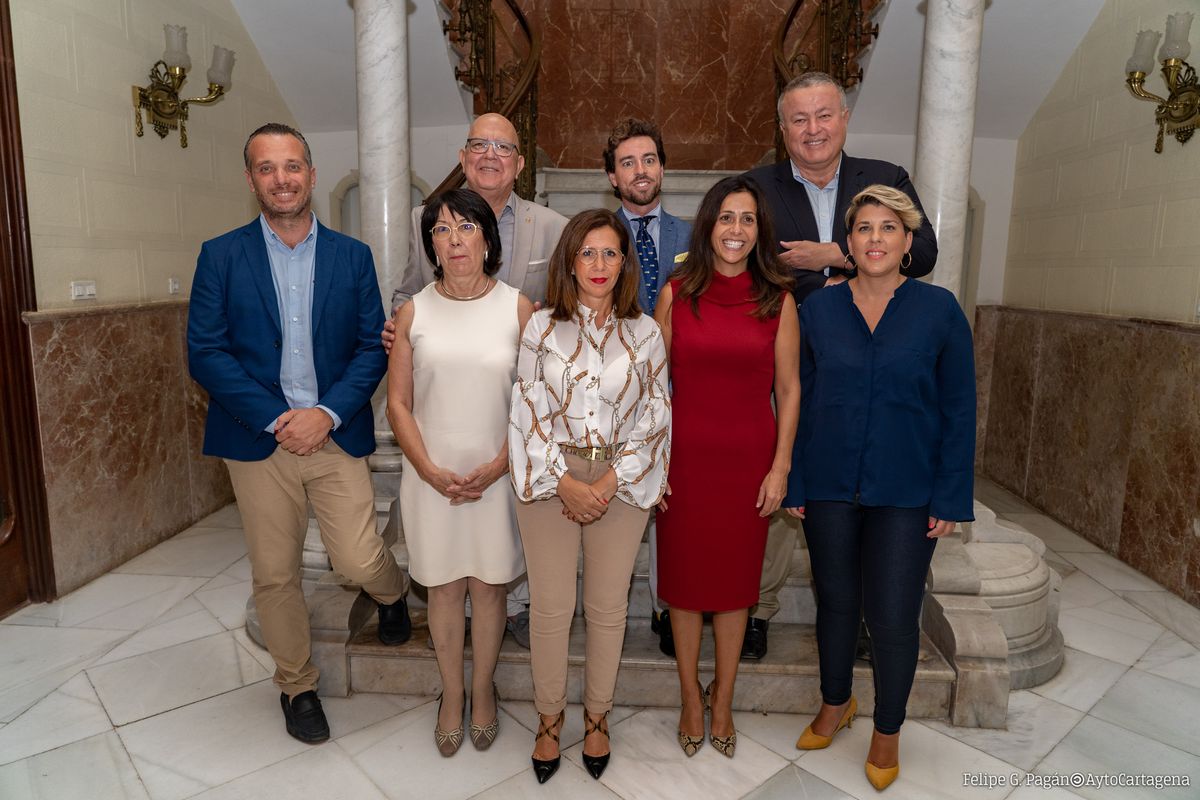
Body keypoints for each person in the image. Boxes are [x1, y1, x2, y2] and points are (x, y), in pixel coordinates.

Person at [188, 123, 410, 745]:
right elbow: (206, 352)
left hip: (334, 433)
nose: (281, 179)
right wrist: (276, 416)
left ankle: (392, 592)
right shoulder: (220, 256)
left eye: (292, 166)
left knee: (357, 556)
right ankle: (297, 685)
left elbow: (371, 346)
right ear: (251, 179)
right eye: (267, 168)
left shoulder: (352, 256)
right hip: (257, 440)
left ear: (311, 174)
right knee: (275, 573)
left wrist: (326, 413)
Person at [741, 70, 938, 661]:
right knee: (783, 484)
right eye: (799, 119)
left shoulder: (887, 178)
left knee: (868, 487)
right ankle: (760, 607)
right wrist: (832, 283)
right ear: (782, 129)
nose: (813, 129)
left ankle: (870, 618)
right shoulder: (757, 187)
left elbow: (924, 252)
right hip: (787, 361)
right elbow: (747, 263)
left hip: (870, 360)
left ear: (845, 119)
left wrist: (836, 257)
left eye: (824, 115)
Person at [785, 185, 975, 792]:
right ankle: (836, 702)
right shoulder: (819, 310)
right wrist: (795, 477)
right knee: (836, 603)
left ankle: (888, 728)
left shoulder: (939, 310)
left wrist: (951, 496)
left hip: (907, 490)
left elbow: (959, 407)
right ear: (848, 241)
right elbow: (801, 400)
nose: (875, 239)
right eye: (864, 228)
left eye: (888, 227)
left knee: (892, 616)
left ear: (908, 241)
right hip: (829, 484)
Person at [385, 112, 568, 648]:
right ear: (463, 158)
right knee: (446, 575)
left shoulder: (552, 227)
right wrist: (399, 329)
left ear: (520, 162)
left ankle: (513, 609)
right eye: (478, 145)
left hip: (506, 410)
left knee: (498, 561)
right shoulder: (424, 220)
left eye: (503, 147)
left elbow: (564, 313)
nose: (490, 155)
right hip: (442, 400)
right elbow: (408, 291)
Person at [509, 209, 670, 783]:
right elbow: (526, 406)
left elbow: (656, 414)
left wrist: (607, 483)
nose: (599, 265)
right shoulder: (540, 327)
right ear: (569, 261)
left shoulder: (646, 332)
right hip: (551, 478)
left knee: (607, 608)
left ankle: (598, 716)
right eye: (587, 252)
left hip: (620, 482)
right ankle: (549, 719)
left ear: (624, 263)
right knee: (551, 608)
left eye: (610, 253)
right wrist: (565, 480)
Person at [654, 175, 800, 759]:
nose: (736, 230)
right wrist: (652, 464)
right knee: (686, 588)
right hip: (684, 461)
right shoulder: (676, 294)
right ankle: (691, 696)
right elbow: (651, 389)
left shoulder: (778, 300)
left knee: (737, 590)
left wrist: (780, 467)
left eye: (747, 219)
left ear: (759, 230)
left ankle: (724, 700)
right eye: (726, 218)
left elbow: (789, 390)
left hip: (748, 464)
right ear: (708, 225)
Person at [386, 188, 533, 756]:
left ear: (487, 240)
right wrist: (427, 469)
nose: (455, 239)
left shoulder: (518, 308)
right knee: (445, 588)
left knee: (490, 588)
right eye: (442, 229)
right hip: (433, 479)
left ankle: (484, 689)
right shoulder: (414, 311)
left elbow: (534, 404)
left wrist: (499, 465)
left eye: (466, 227)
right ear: (431, 245)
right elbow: (399, 404)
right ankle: (452, 694)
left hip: (498, 476)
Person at [602, 117, 691, 658]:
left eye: (649, 159)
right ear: (613, 176)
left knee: (671, 505)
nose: (641, 170)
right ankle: (607, 611)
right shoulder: (595, 235)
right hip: (614, 395)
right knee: (621, 502)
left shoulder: (695, 235)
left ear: (662, 168)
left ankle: (667, 605)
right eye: (628, 162)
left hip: (685, 391)